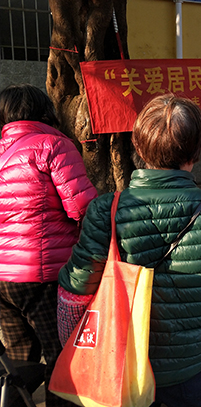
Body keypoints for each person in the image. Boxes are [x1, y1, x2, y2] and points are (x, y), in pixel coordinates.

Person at [57, 95, 201, 407]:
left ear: (137, 145)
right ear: (198, 147)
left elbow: (73, 297)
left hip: (119, 367)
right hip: (198, 369)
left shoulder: (106, 211)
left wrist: (81, 348)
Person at [0, 84, 97, 407]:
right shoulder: (53, 145)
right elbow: (82, 207)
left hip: (3, 278)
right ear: (45, 112)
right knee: (62, 356)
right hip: (40, 274)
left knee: (18, 359)